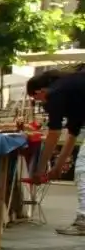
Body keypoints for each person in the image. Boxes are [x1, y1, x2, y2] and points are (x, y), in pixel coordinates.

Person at [27, 69, 85, 235]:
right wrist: (57, 167)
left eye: (35, 99)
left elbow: (54, 134)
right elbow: (72, 135)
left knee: (82, 169)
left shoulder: (55, 94)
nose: (40, 103)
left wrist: (40, 169)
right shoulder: (71, 91)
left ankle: (83, 220)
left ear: (39, 91)